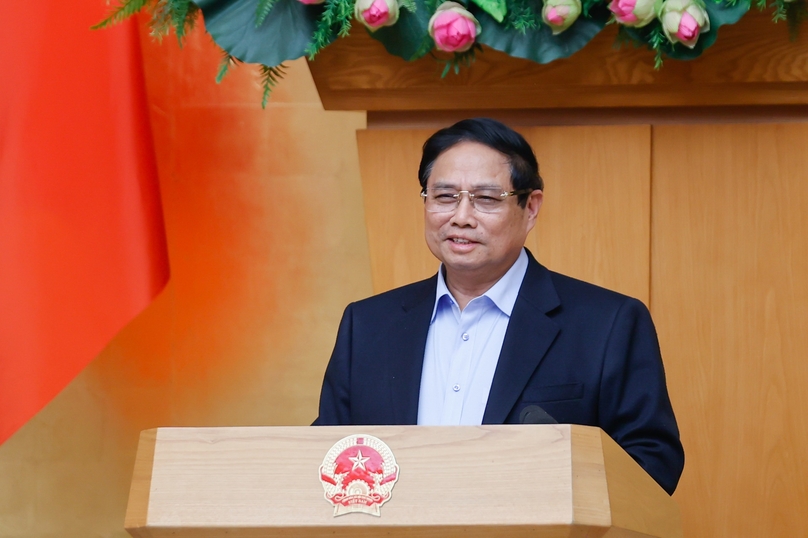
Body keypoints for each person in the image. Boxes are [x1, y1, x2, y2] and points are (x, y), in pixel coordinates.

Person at [313, 118, 684, 495]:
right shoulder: (368, 325)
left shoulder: (607, 324)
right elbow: (327, 458)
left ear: (531, 207)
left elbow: (652, 462)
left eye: (486, 199)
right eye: (444, 196)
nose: (461, 217)